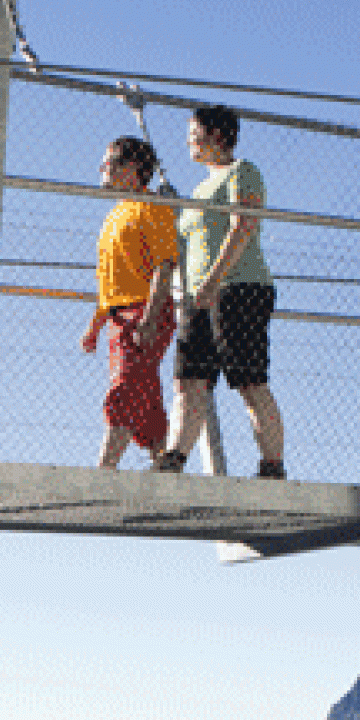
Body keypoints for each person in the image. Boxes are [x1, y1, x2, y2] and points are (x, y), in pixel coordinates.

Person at [150, 104, 286, 478]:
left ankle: (272, 465)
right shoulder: (198, 189)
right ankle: (174, 457)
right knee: (189, 379)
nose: (189, 142)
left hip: (239, 288)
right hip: (199, 296)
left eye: (195, 135)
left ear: (218, 136)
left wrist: (213, 279)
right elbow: (181, 245)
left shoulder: (244, 172)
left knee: (249, 380)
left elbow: (242, 224)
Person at [79, 136, 178, 468]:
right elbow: (110, 282)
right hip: (120, 316)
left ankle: (104, 469)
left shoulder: (153, 207)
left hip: (146, 309)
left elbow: (165, 265)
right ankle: (165, 466)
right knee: (144, 393)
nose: (102, 169)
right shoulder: (113, 217)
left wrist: (149, 318)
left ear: (131, 168)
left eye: (108, 163)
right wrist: (95, 327)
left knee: (126, 386)